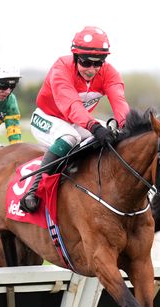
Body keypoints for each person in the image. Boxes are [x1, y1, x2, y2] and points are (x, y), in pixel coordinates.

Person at [20, 25, 131, 213]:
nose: (92, 69)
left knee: (110, 134)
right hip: (48, 117)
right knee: (69, 137)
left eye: (98, 63)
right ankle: (33, 190)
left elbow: (119, 102)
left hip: (76, 120)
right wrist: (94, 126)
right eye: (86, 62)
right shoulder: (61, 68)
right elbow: (72, 105)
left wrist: (125, 126)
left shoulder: (109, 73)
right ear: (75, 57)